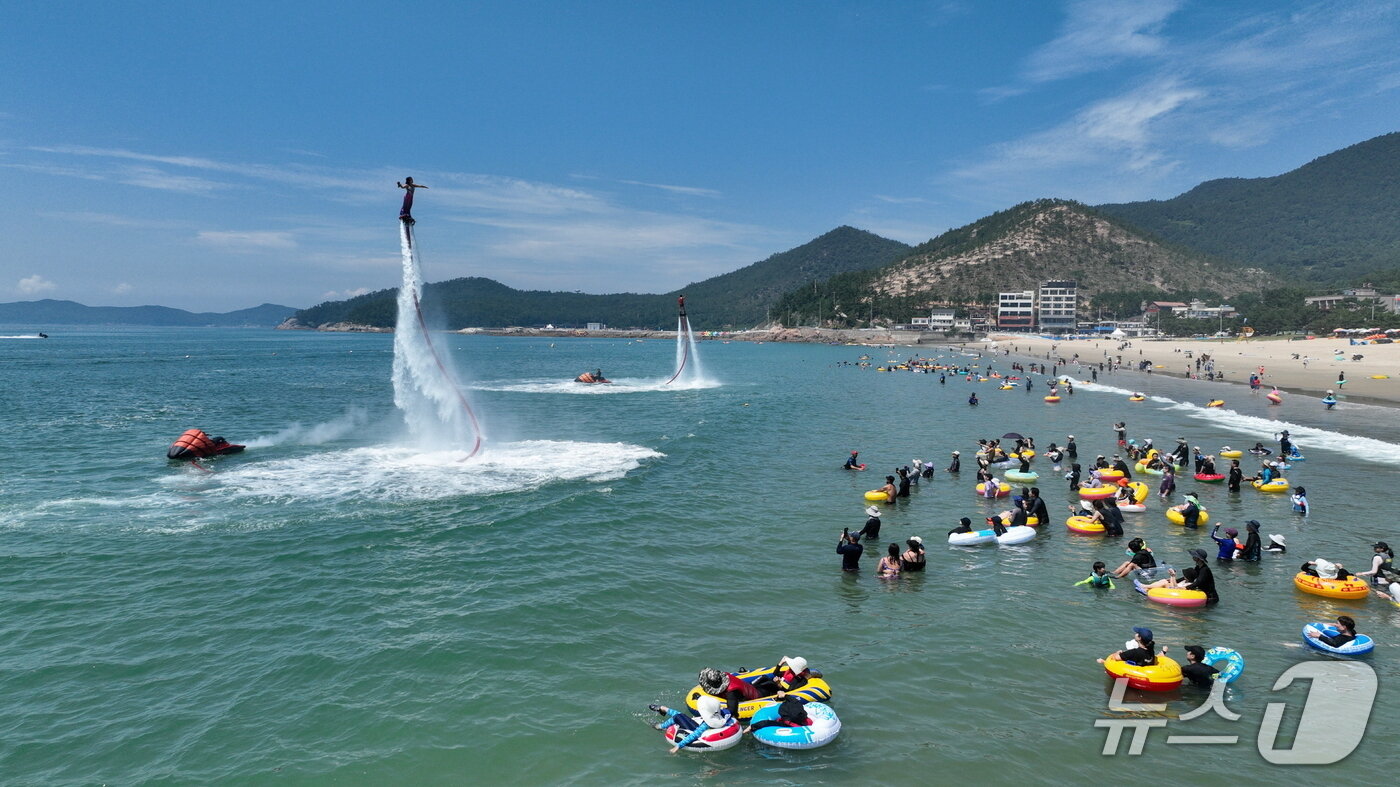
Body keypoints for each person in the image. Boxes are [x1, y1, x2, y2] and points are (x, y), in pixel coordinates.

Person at [650, 695, 732, 753]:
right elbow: (729, 713)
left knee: (678, 717)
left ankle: (661, 725)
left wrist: (677, 746)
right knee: (682, 716)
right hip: (700, 727)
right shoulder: (721, 715)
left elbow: (694, 735)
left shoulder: (706, 724)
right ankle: (663, 709)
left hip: (696, 731)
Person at [697, 667, 763, 719]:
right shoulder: (723, 676)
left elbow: (732, 711)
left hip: (758, 696)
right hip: (752, 688)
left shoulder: (732, 692)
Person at [743, 692, 811, 734]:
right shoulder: (806, 719)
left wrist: (751, 727)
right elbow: (795, 702)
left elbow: (767, 723)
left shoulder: (787, 725)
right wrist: (785, 696)